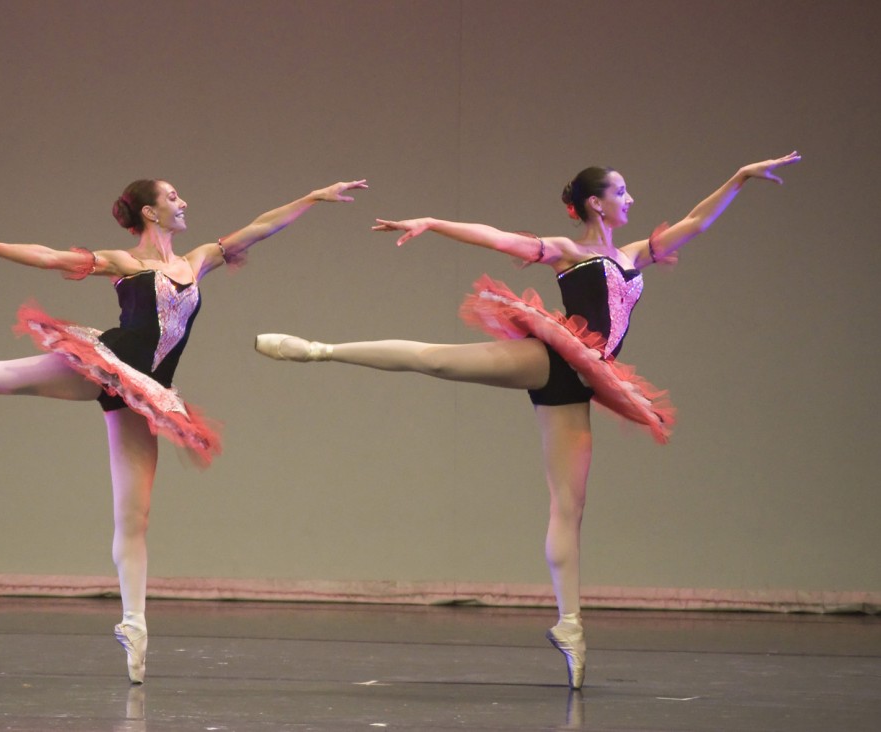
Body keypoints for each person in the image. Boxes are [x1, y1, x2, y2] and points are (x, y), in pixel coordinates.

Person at [254, 153, 800, 689]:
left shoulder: (634, 254)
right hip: (555, 358)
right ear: (597, 203)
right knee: (437, 359)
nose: (631, 198)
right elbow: (498, 238)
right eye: (621, 191)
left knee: (569, 506)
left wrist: (739, 177)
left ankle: (571, 624)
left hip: (586, 382)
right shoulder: (568, 251)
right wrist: (433, 223)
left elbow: (696, 222)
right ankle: (318, 350)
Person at [0, 177, 368, 684]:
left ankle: (134, 624)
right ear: (150, 210)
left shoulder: (198, 259)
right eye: (173, 197)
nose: (184, 204)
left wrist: (315, 198)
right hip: (105, 363)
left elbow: (260, 227)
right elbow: (49, 257)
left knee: (134, 516)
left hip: (148, 392)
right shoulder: (123, 262)